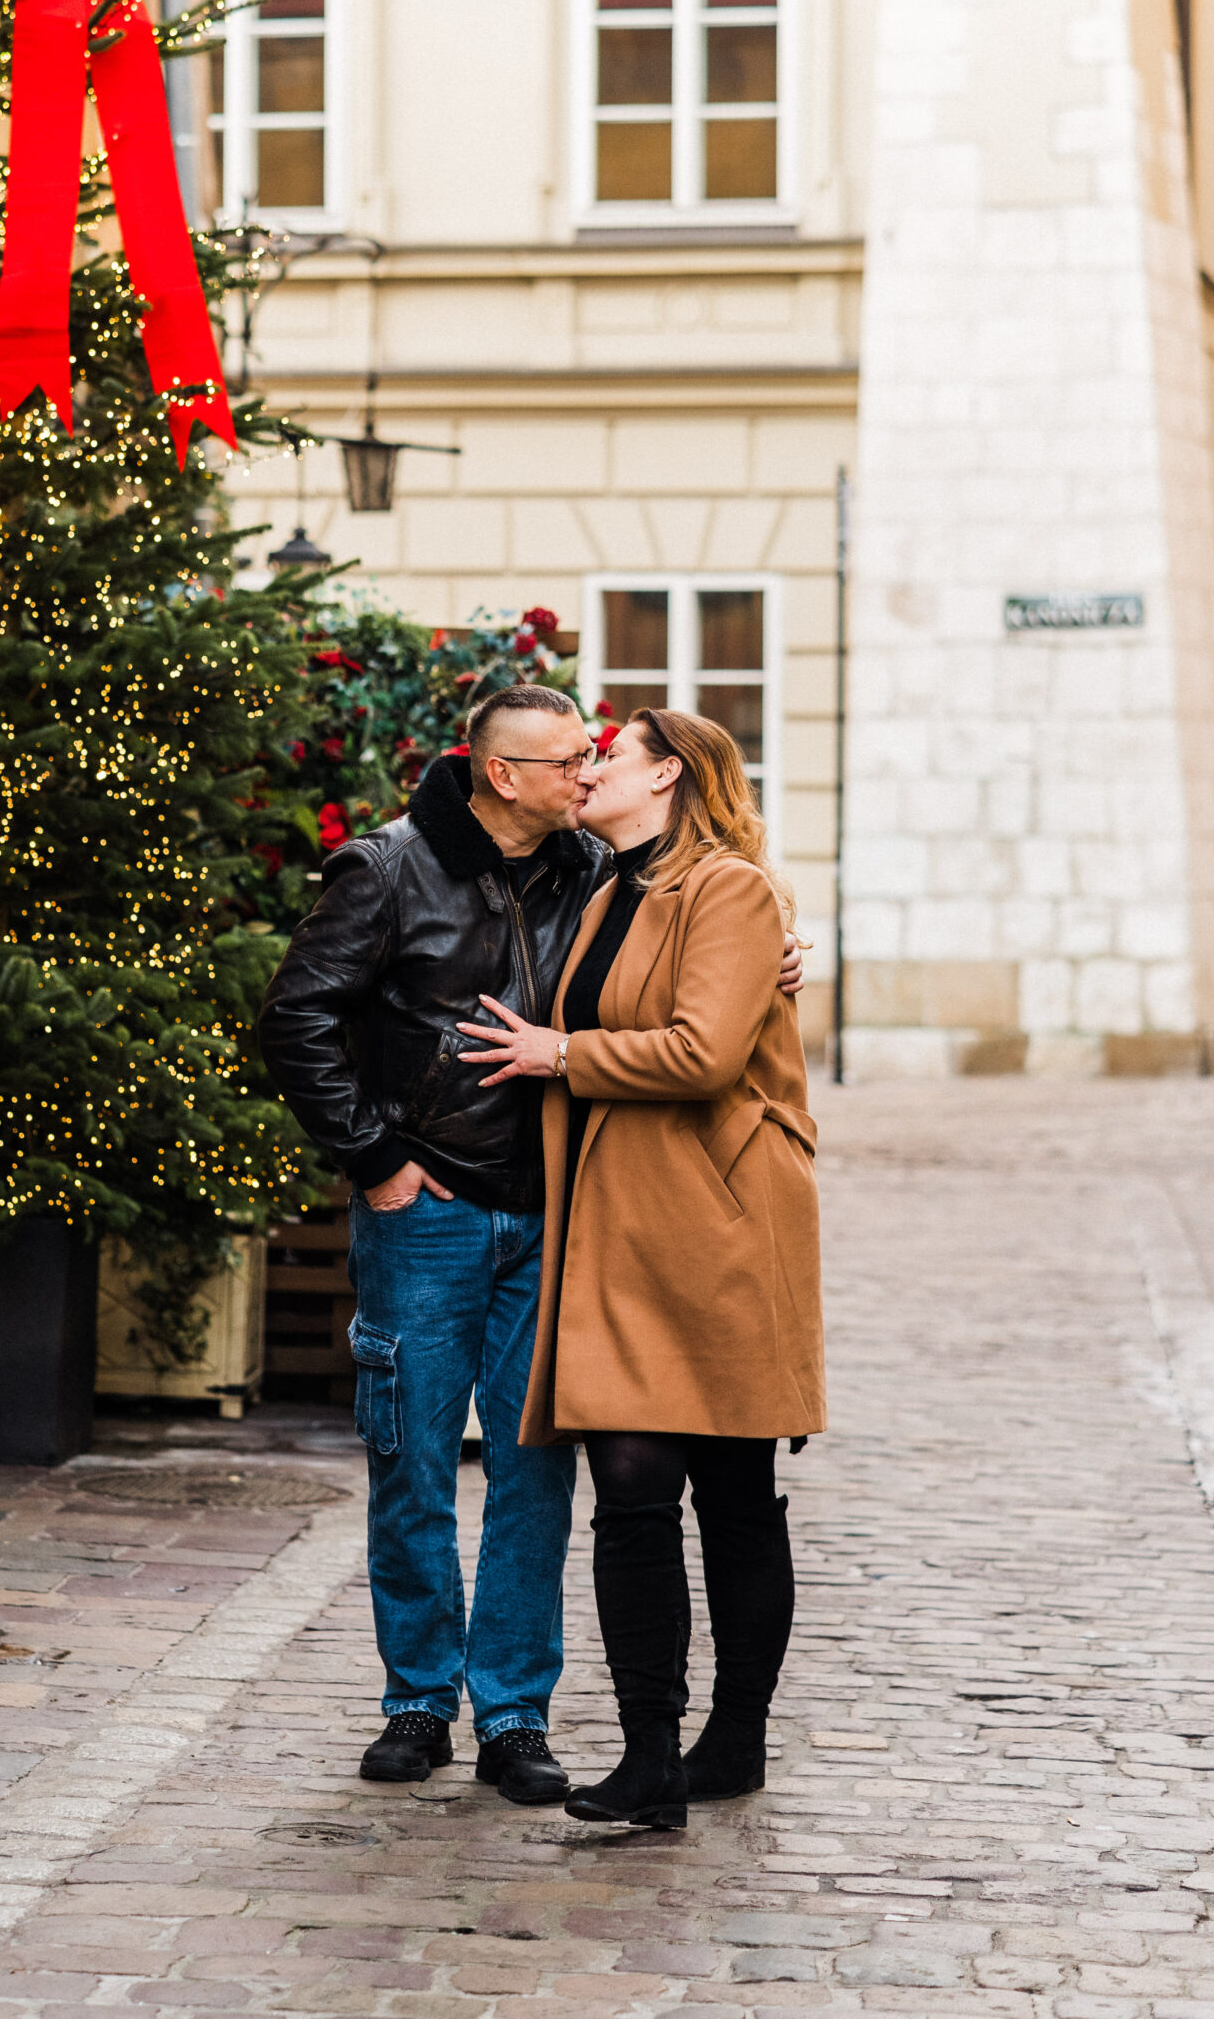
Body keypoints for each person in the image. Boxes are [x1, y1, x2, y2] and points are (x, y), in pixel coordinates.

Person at [259, 685, 805, 1805]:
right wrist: (376, 1158)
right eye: (568, 759)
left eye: (600, 756)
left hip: (557, 1215)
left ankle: (514, 1712)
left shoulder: (589, 873)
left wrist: (778, 959)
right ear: (502, 774)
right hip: (429, 1204)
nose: (587, 771)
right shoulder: (388, 868)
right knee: (410, 1456)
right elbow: (295, 1016)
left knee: (534, 1470)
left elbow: (697, 944)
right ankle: (419, 1700)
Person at [460, 709, 824, 1830]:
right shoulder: (611, 885)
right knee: (627, 1490)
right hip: (620, 1227)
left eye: (607, 755)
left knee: (734, 1497)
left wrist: (557, 1052)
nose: (589, 769)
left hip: (718, 1224)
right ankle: (649, 1757)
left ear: (667, 772)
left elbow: (707, 1051)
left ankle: (736, 1738)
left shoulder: (731, 888)